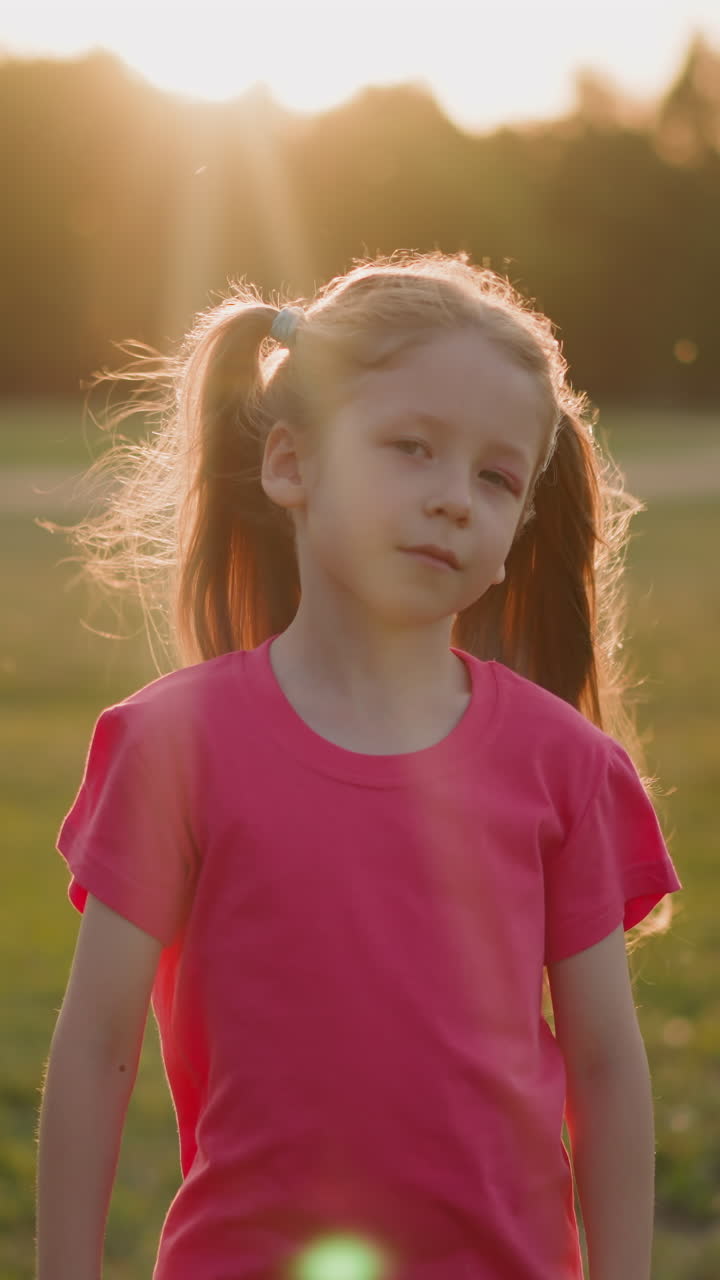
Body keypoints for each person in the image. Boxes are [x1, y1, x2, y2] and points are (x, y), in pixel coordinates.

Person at [37, 250, 682, 1280]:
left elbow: (605, 1067)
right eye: (412, 447)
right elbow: (95, 1047)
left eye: (495, 475)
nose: (454, 499)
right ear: (290, 463)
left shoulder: (566, 766)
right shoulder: (173, 747)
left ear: (518, 525)